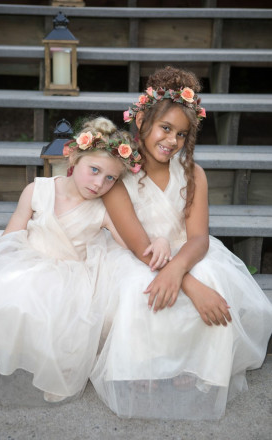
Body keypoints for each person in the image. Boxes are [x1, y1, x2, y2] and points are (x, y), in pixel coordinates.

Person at [90, 67, 272, 420]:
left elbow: (199, 238)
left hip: (184, 250)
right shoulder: (118, 175)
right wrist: (183, 279)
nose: (172, 140)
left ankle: (196, 363)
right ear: (141, 119)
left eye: (181, 134)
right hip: (136, 254)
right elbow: (138, 245)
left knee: (213, 279)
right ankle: (142, 366)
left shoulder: (193, 173)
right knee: (138, 288)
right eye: (166, 128)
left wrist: (180, 268)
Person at [0, 116, 167, 404]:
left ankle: (59, 370)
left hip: (70, 273)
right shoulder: (37, 190)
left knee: (65, 312)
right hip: (30, 259)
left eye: (110, 178)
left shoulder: (103, 210)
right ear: (74, 158)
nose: (99, 183)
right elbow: (11, 236)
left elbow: (132, 243)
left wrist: (160, 241)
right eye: (94, 170)